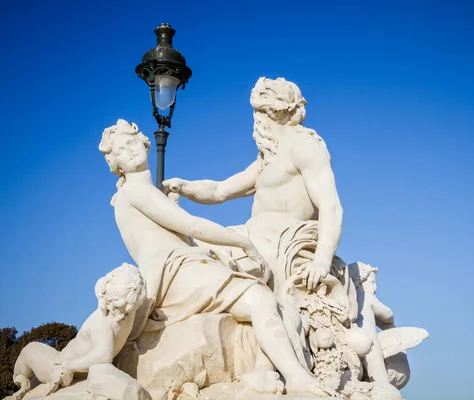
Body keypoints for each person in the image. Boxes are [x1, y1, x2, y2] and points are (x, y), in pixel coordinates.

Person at [98, 119, 326, 396]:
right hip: (177, 271)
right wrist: (244, 243)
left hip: (180, 269)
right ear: (116, 165)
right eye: (121, 149)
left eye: (133, 141)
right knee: (259, 298)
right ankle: (295, 376)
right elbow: (192, 225)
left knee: (267, 300)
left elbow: (190, 228)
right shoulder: (135, 191)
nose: (131, 149)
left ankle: (264, 372)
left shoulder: (141, 194)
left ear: (145, 142)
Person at [163, 77, 345, 295]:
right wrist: (182, 186)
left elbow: (330, 206)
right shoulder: (267, 159)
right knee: (187, 253)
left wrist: (322, 260)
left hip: (281, 243)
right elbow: (219, 191)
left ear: (271, 113)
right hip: (253, 237)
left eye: (257, 113)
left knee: (202, 256)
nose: (255, 122)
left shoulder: (304, 146)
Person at [7, 263, 146, 400]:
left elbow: (104, 355)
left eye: (128, 310)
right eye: (119, 309)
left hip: (64, 365)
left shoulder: (121, 309)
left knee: (31, 349)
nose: (122, 315)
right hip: (61, 363)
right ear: (108, 299)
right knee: (30, 349)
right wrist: (70, 365)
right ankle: (20, 378)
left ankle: (22, 378)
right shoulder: (110, 317)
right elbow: (104, 355)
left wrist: (70, 366)